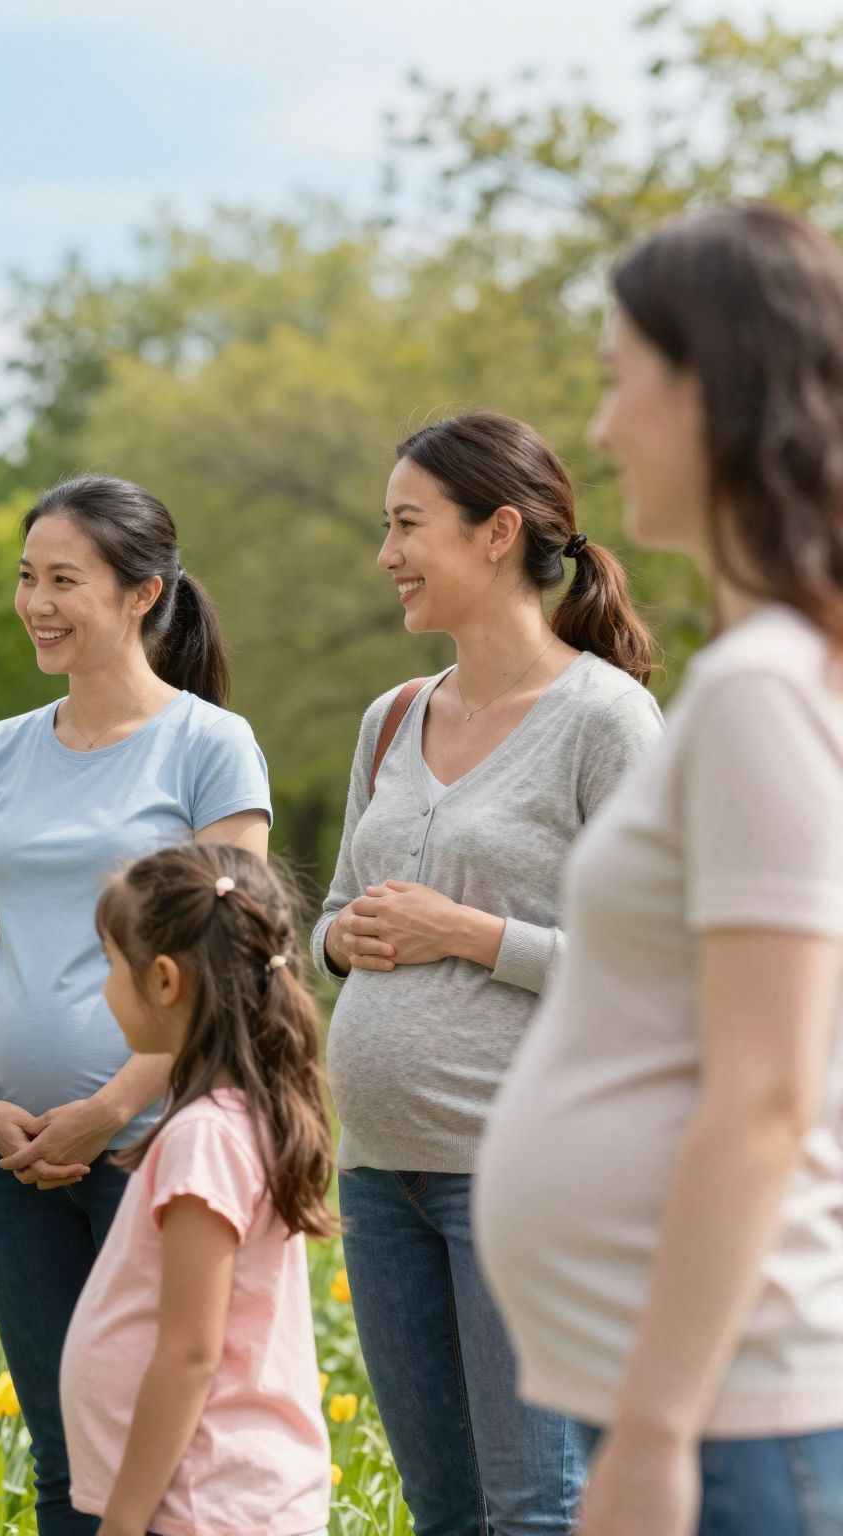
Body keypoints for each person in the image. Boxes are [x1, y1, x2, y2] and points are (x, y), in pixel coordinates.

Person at [477, 202, 843, 1536]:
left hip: (728, 1416)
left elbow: (766, 1094)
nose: (610, 424)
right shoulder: (773, 677)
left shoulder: (763, 692)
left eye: (622, 376)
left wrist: (653, 1430)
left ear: (715, 391)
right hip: (706, 1399)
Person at [311, 412, 662, 1534]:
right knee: (441, 1508)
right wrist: (342, 943)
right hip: (377, 1179)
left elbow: (661, 971)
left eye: (407, 526)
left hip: (522, 1177)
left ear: (498, 531)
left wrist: (466, 933)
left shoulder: (603, 722)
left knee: (533, 1507)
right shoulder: (390, 717)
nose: (386, 556)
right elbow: (330, 921)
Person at [0, 473, 271, 1535]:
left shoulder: (208, 747)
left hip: (155, 1149)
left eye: (63, 580)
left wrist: (106, 1108)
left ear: (141, 593)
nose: (35, 602)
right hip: (10, 1158)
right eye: (26, 578)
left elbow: (230, 964)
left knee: (164, 1451)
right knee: (60, 1457)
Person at [65, 842, 332, 1536]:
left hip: (201, 1506)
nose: (104, 987)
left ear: (162, 980)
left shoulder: (205, 1138)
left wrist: (123, 1521)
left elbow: (190, 1353)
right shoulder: (245, 1114)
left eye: (109, 965)